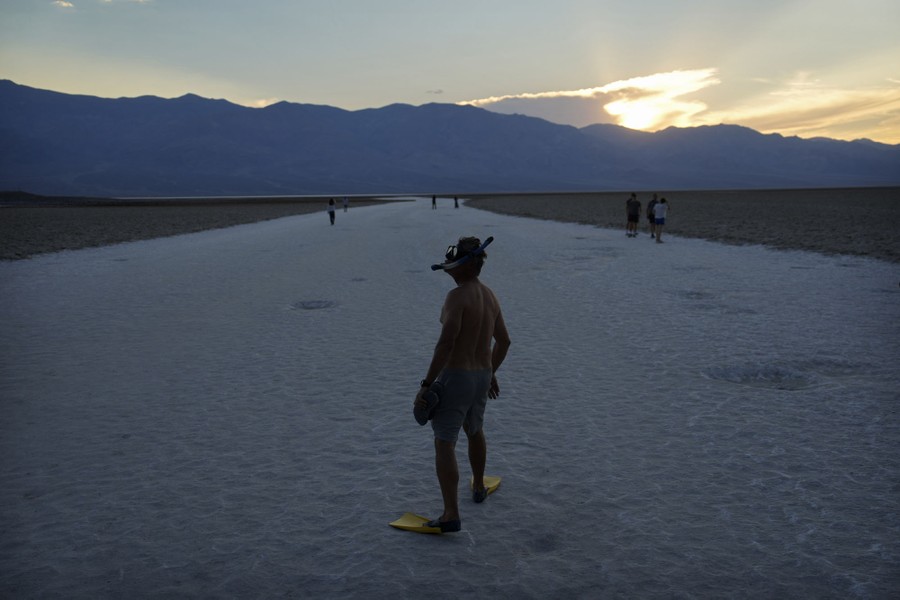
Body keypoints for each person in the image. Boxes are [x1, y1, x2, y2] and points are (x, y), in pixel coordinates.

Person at [414, 236, 511, 533]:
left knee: (444, 442)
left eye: (452, 266)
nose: (448, 271)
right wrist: (490, 372)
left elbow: (446, 344)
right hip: (481, 375)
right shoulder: (490, 295)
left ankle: (450, 514)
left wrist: (427, 384)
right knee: (475, 430)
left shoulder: (456, 298)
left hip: (455, 376)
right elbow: (504, 342)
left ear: (467, 266)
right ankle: (479, 486)